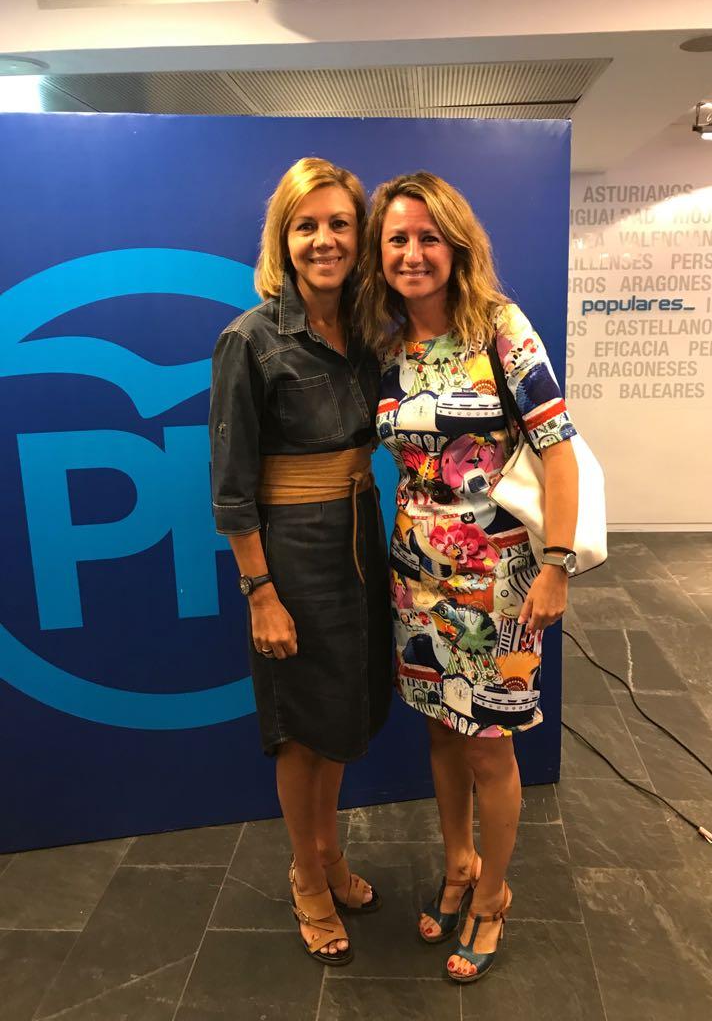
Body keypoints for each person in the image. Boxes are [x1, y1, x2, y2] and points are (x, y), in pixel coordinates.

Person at [358, 172, 578, 983]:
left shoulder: (500, 328)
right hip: (414, 580)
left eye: (428, 238)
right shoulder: (389, 349)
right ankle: (458, 864)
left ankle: (492, 893)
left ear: (456, 246)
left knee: (490, 746)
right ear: (380, 254)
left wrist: (556, 566)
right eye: (397, 240)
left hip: (501, 585)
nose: (413, 254)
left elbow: (559, 451)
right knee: (442, 730)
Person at [209, 157, 392, 966]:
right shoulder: (250, 340)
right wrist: (261, 593)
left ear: (360, 235)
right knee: (299, 731)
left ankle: (329, 853)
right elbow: (230, 489)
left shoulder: (368, 334)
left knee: (338, 716)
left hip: (361, 538)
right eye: (306, 225)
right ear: (282, 238)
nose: (325, 239)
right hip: (291, 551)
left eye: (339, 224)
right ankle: (306, 877)